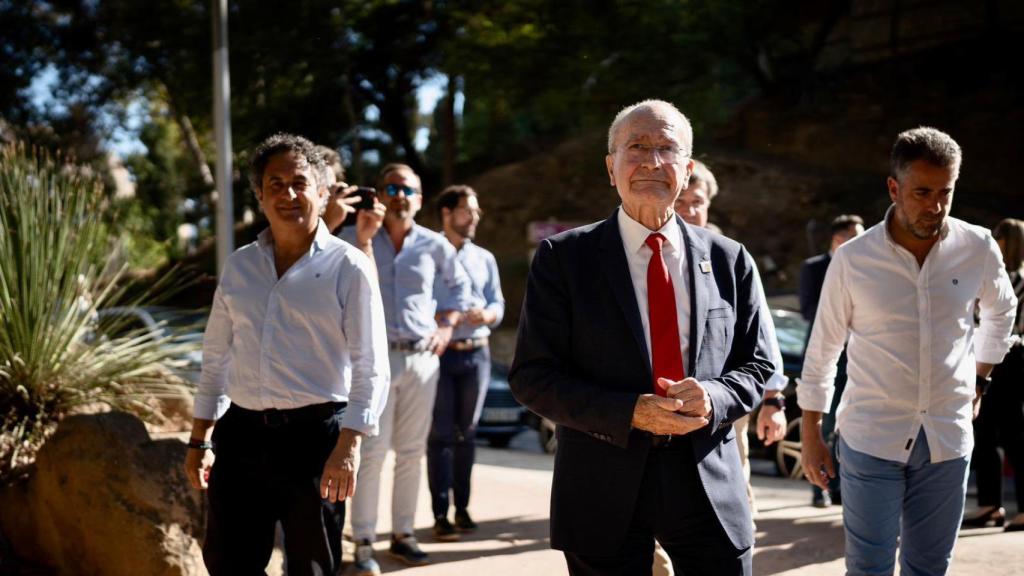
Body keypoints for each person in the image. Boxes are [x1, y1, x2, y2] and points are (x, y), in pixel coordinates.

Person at [510, 99, 775, 575]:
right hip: (602, 479)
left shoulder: (729, 258)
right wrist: (632, 411)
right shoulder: (564, 259)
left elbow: (758, 365)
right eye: (636, 147)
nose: (652, 161)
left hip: (707, 480)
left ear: (687, 169)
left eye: (667, 148)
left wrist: (713, 396)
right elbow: (533, 377)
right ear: (611, 168)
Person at [799, 127, 1018, 575]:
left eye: (946, 192)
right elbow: (823, 348)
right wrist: (810, 434)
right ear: (894, 188)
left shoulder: (976, 247)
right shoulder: (854, 259)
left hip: (947, 436)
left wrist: (980, 378)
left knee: (929, 567)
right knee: (869, 568)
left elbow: (1002, 313)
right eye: (922, 192)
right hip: (870, 436)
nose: (935, 206)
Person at [183, 133, 390, 575]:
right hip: (240, 437)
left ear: (320, 189)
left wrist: (349, 446)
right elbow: (215, 357)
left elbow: (371, 366)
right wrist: (200, 438)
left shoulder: (349, 266)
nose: (289, 194)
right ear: (260, 196)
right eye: (275, 184)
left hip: (315, 441)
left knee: (311, 568)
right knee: (227, 563)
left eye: (299, 182)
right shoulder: (239, 265)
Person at [342, 163, 471, 575]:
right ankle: (364, 541)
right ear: (379, 194)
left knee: (413, 452)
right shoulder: (354, 237)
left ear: (419, 198)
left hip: (420, 359)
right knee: (372, 453)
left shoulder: (435, 246)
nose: (400, 195)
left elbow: (460, 291)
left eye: (409, 190)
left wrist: (446, 328)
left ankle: (403, 535)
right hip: (373, 359)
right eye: (392, 188)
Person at [673, 159, 789, 521]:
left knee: (730, 512)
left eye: (698, 203)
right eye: (681, 202)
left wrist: (774, 399)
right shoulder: (638, 258)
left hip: (723, 411)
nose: (690, 212)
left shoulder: (729, 258)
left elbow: (761, 336)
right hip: (658, 406)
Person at [428, 184, 505, 541]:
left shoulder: (485, 258)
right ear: (447, 213)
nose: (474, 217)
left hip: (478, 354)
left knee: (468, 435)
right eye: (466, 210)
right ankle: (440, 514)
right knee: (440, 436)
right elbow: (414, 303)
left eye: (476, 211)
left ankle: (463, 510)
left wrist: (486, 314)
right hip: (440, 356)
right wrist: (447, 316)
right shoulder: (426, 252)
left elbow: (498, 306)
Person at [797, 213, 864, 507]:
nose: (860, 242)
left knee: (846, 423)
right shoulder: (814, 267)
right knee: (822, 423)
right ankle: (818, 488)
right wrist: (838, 310)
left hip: (857, 358)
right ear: (837, 239)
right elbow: (808, 308)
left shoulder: (866, 266)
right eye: (854, 236)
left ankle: (837, 486)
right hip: (825, 356)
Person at [963, 217, 1024, 531]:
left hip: (1010, 361)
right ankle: (991, 505)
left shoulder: (1011, 279)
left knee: (1013, 435)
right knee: (984, 433)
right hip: (993, 359)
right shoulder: (993, 276)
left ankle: (1004, 506)